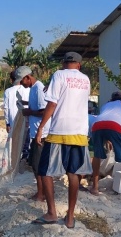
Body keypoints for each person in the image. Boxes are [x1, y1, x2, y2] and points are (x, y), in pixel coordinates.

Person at [32, 52, 92, 228]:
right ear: (79, 65)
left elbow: (52, 103)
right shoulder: (86, 80)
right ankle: (70, 217)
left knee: (45, 171)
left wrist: (41, 127)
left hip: (59, 130)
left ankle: (52, 213)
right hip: (80, 132)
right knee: (73, 173)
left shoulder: (59, 75)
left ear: (64, 63)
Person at [17, 65, 50, 202]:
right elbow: (36, 106)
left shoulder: (39, 89)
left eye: (21, 81)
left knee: (38, 166)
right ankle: (41, 192)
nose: (20, 83)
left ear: (27, 77)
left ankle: (41, 194)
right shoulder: (32, 89)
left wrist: (29, 112)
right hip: (36, 133)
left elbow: (45, 111)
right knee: (36, 165)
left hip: (41, 135)